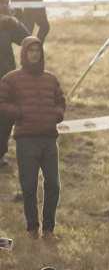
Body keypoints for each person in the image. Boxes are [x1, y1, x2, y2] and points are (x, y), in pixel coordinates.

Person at [0, 36, 64, 237]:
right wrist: (19, 112)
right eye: (31, 50)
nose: (35, 54)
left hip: (49, 140)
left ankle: (49, 229)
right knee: (29, 186)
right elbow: (2, 102)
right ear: (24, 53)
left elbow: (61, 101)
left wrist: (56, 114)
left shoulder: (50, 79)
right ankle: (32, 229)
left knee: (53, 185)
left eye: (38, 50)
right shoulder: (11, 79)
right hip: (26, 140)